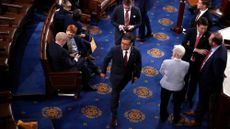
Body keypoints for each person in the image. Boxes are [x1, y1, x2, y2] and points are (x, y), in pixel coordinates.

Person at [185, 32, 227, 127]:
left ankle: (197, 121)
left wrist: (211, 88)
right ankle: (196, 112)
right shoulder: (219, 47)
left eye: (210, 39)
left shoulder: (219, 57)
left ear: (214, 43)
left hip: (208, 84)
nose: (208, 39)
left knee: (203, 101)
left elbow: (218, 76)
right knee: (201, 99)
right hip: (204, 78)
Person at [100, 33, 142, 127]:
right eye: (122, 43)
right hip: (115, 77)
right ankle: (114, 116)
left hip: (127, 77)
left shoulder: (136, 51)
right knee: (115, 95)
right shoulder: (114, 49)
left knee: (118, 90)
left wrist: (136, 74)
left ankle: (115, 93)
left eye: (126, 44)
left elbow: (138, 63)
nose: (123, 45)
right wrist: (103, 71)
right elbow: (106, 60)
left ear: (131, 44)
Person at [181, 17, 211, 107]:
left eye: (205, 28)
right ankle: (181, 96)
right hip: (186, 60)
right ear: (197, 26)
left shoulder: (208, 35)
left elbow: (205, 51)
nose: (203, 30)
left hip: (197, 63)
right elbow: (183, 44)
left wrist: (190, 47)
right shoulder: (190, 31)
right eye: (202, 28)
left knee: (193, 83)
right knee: (184, 80)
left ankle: (189, 98)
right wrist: (196, 50)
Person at [159, 45, 189, 124]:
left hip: (166, 85)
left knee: (164, 102)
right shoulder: (186, 64)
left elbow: (161, 71)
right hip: (178, 86)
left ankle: (163, 116)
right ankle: (176, 118)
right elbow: (184, 74)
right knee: (177, 103)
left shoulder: (166, 62)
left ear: (174, 53)